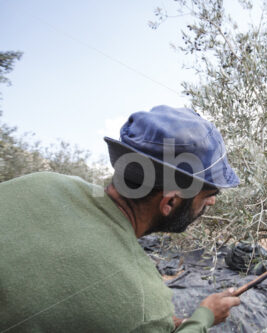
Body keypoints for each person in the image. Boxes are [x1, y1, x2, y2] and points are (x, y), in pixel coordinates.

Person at [0, 105, 241, 332]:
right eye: (210, 194)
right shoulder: (143, 305)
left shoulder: (41, 181)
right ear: (169, 201)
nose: (212, 202)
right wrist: (204, 316)